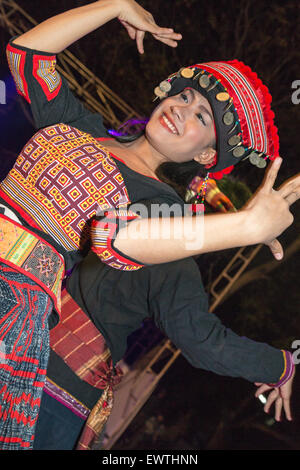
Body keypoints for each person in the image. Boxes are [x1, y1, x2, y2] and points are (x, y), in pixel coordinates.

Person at [1, 0, 298, 450]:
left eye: (202, 117)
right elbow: (26, 53)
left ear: (205, 157)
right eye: (185, 96)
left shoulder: (165, 209)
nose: (184, 109)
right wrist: (115, 4)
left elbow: (115, 238)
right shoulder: (80, 125)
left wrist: (246, 228)